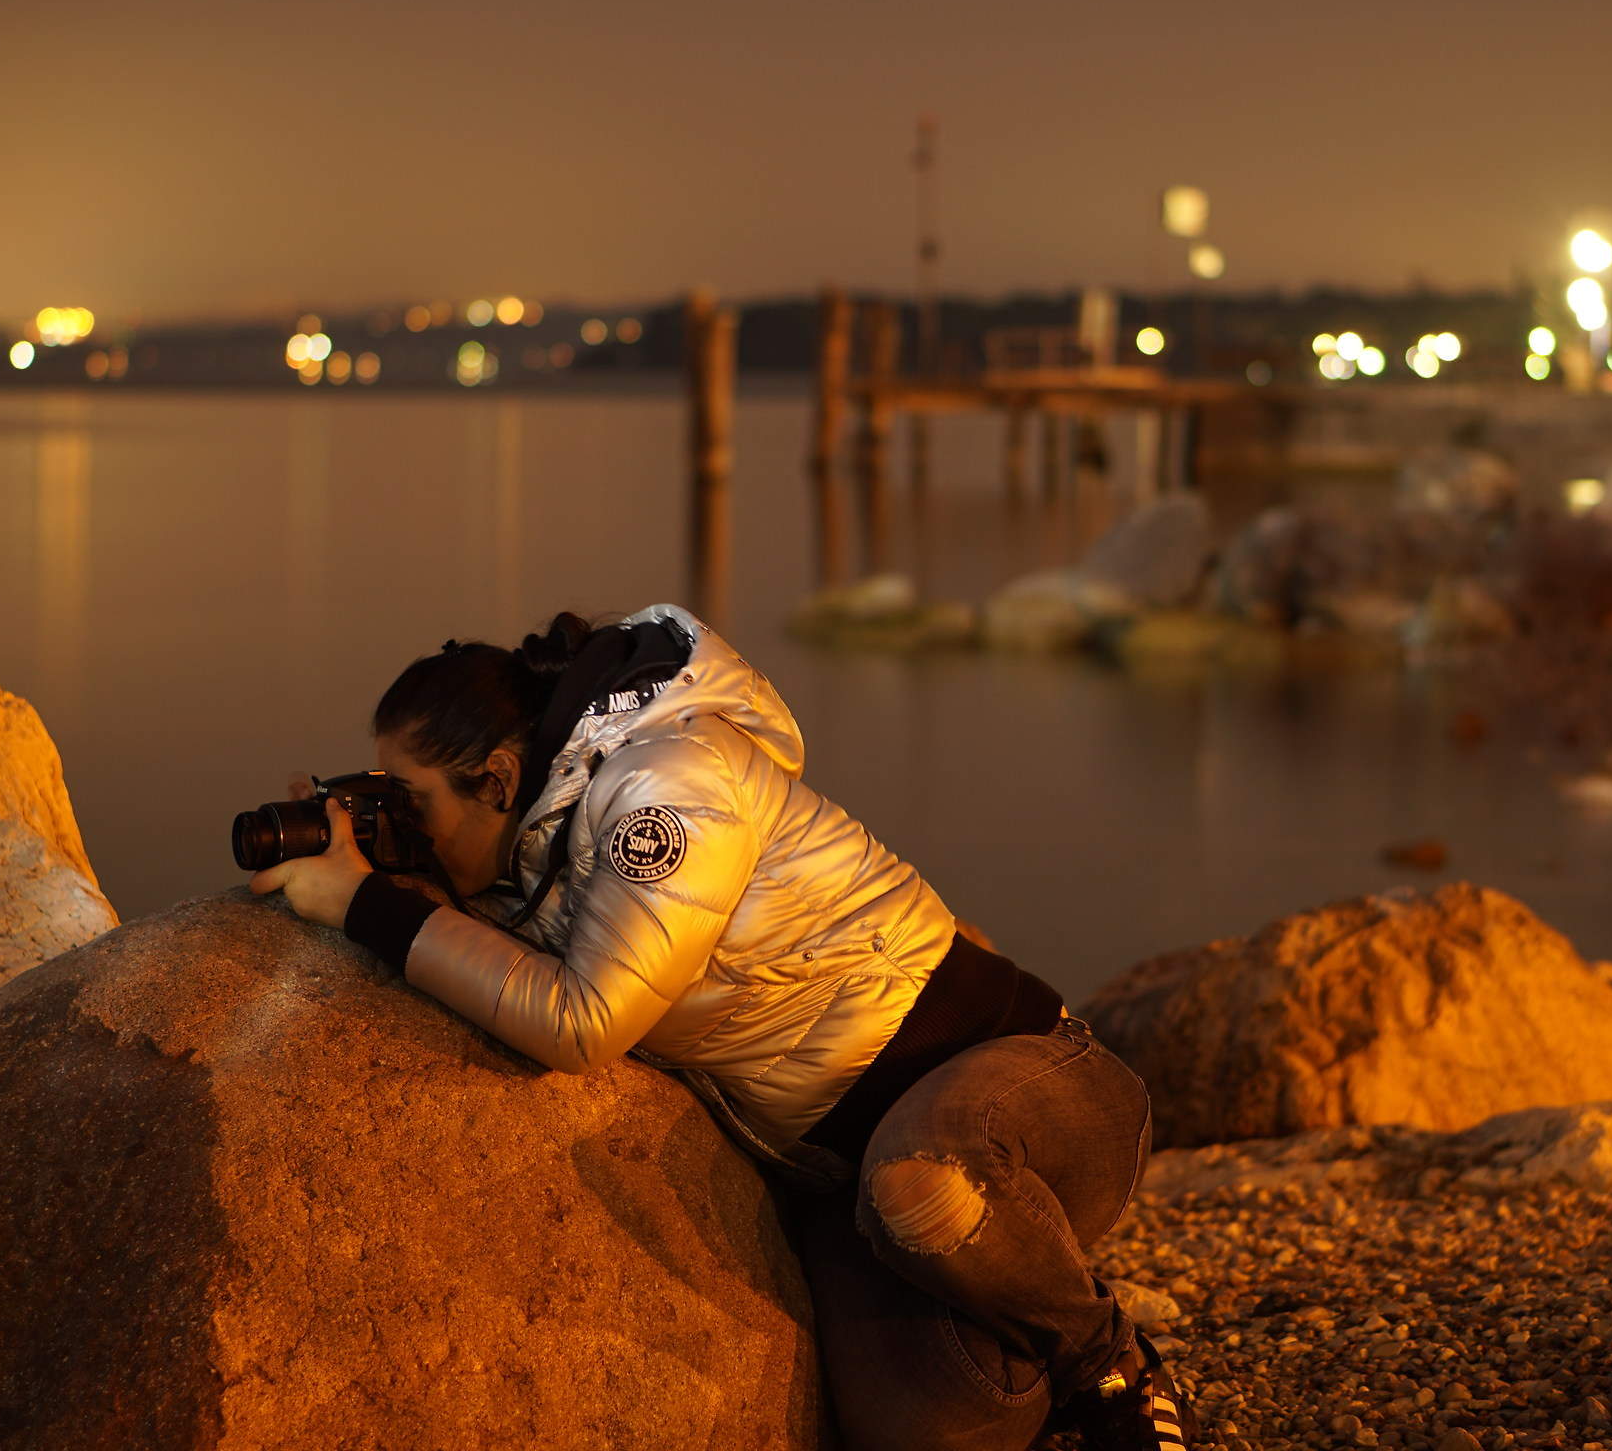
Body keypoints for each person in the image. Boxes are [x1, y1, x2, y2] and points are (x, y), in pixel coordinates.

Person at [251, 604, 1191, 1451]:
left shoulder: (664, 790)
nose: (405, 824)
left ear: (499, 777)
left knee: (925, 1184)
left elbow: (581, 1024)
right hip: (843, 1183)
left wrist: (370, 907)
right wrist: (372, 850)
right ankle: (1001, 1282)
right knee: (927, 1430)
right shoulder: (523, 849)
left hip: (1026, 1086)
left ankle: (1107, 1362)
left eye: (410, 803)